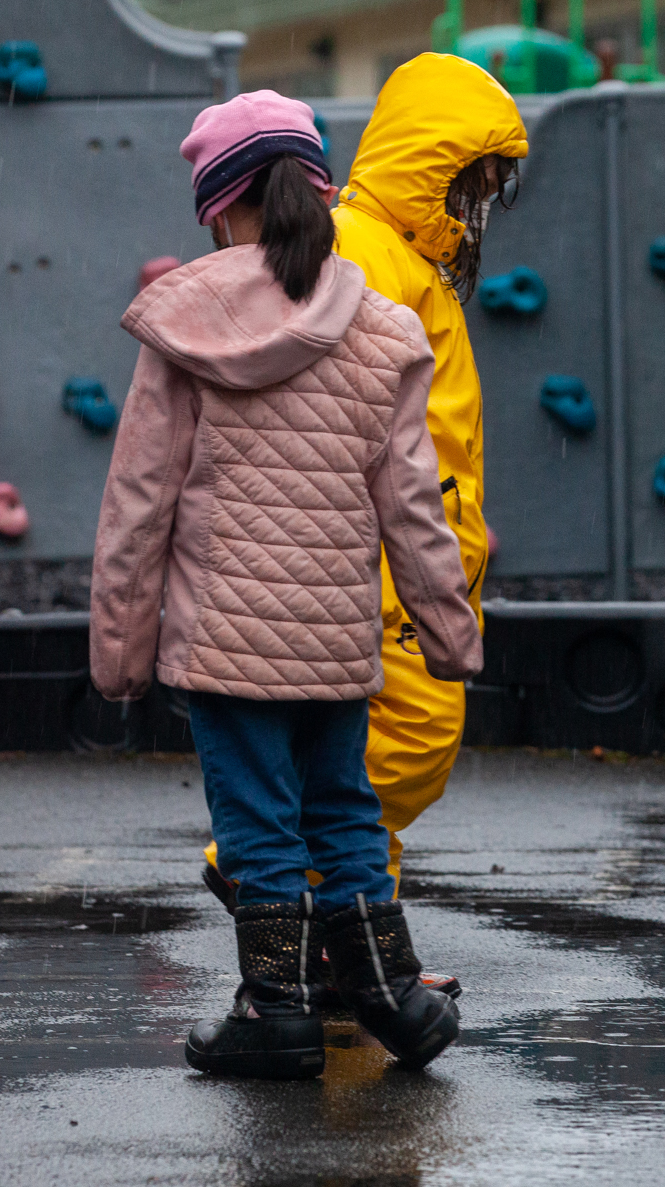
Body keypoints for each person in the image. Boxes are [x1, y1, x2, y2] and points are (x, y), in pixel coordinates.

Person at [90, 90, 483, 1080]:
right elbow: (412, 502)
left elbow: (140, 503)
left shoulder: (185, 323)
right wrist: (448, 631)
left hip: (225, 642)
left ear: (219, 207)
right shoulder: (382, 326)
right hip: (338, 638)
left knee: (258, 818)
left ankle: (274, 1009)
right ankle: (392, 997)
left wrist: (120, 651)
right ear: (318, 189)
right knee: (343, 806)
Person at [200, 54, 524, 980]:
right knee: (403, 742)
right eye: (475, 184)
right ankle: (285, 883)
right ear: (436, 168)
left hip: (411, 544)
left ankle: (359, 943)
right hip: (378, 556)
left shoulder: (396, 254)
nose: (480, 208)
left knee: (385, 751)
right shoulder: (368, 249)